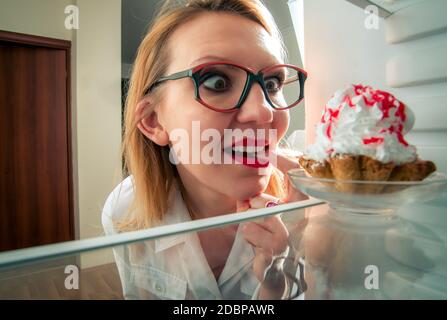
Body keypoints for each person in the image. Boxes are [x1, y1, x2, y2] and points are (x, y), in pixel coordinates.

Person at [102, 0, 307, 300]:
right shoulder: (124, 211)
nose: (264, 112)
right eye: (217, 81)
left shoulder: (300, 209)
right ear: (154, 121)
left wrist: (274, 288)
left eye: (272, 82)